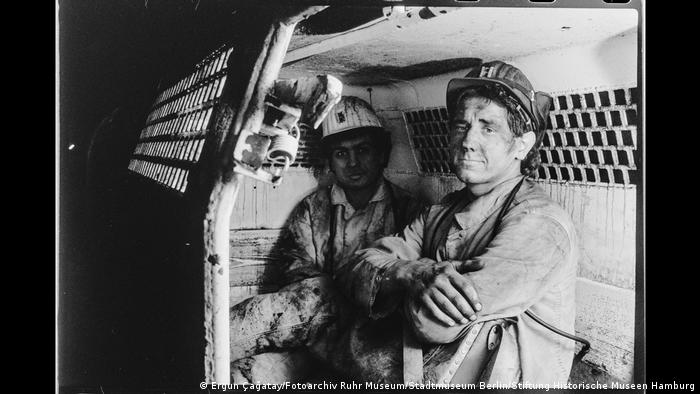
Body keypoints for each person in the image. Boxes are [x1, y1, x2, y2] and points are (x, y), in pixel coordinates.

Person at [338, 60, 579, 385]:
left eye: (488, 127)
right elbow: (357, 269)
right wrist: (411, 273)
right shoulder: (444, 209)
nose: (467, 140)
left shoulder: (541, 225)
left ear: (522, 144)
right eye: (461, 125)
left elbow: (433, 324)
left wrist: (393, 288)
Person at [230, 96, 425, 382]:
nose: (353, 162)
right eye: (341, 154)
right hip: (312, 339)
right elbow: (297, 285)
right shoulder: (312, 210)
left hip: (373, 340)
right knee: (242, 377)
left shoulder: (410, 210)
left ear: (382, 154)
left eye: (363, 150)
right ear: (329, 162)